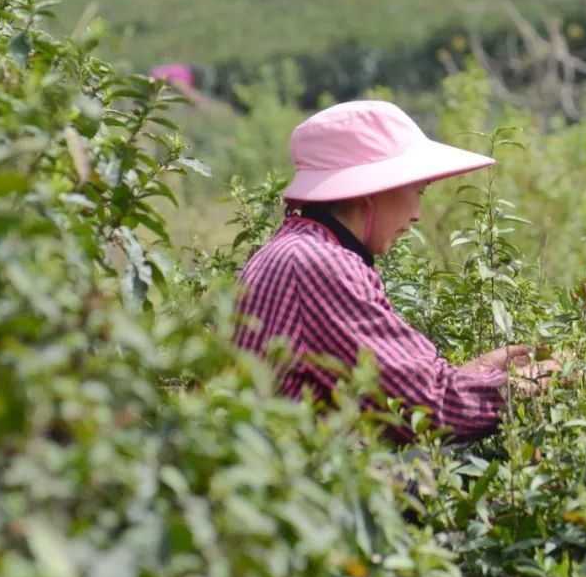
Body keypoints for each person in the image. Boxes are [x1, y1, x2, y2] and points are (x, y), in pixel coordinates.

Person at [232, 100, 562, 444]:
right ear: (372, 193)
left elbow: (388, 390)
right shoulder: (321, 264)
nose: (418, 213)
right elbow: (427, 409)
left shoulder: (299, 248)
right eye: (418, 192)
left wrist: (475, 374)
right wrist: (539, 382)